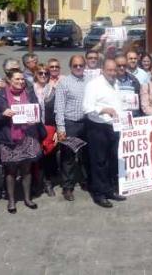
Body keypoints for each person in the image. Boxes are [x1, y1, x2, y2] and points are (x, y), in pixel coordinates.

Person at [0, 70, 43, 213]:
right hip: (9, 139)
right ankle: (12, 201)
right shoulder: (1, 95)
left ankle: (27, 198)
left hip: (28, 136)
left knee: (27, 169)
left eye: (22, 79)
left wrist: (35, 117)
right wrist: (3, 114)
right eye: (17, 79)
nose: (21, 82)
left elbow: (37, 109)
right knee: (10, 171)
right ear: (9, 80)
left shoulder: (29, 93)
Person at [83, 59, 127, 208]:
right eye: (110, 70)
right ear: (102, 70)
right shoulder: (93, 85)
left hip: (113, 127)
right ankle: (99, 194)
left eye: (114, 70)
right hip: (98, 127)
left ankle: (109, 190)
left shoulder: (115, 83)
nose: (113, 73)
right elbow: (87, 108)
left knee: (111, 160)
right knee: (99, 162)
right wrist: (104, 109)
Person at [54, 55, 88, 201]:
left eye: (81, 65)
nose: (78, 68)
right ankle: (67, 187)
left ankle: (85, 180)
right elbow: (59, 107)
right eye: (75, 65)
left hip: (86, 123)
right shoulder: (64, 83)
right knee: (68, 157)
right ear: (70, 66)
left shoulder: (90, 82)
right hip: (70, 123)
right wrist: (61, 127)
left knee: (85, 155)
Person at [33, 64, 58, 197]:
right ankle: (36, 184)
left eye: (46, 73)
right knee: (35, 157)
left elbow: (59, 111)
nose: (43, 76)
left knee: (48, 156)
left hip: (49, 127)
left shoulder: (54, 90)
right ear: (36, 74)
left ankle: (48, 183)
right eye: (40, 73)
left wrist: (58, 131)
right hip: (32, 128)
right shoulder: (29, 90)